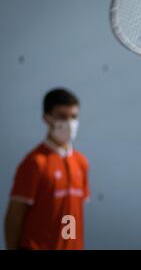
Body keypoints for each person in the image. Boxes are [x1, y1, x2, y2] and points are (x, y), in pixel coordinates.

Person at [4, 88, 90, 250]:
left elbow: (70, 215)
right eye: (62, 116)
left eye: (73, 117)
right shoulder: (35, 163)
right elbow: (15, 216)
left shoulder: (81, 162)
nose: (69, 123)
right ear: (47, 118)